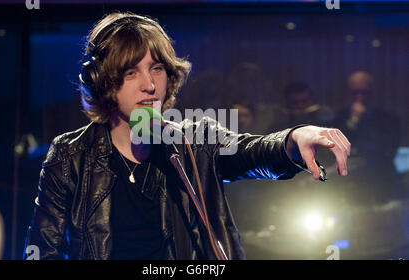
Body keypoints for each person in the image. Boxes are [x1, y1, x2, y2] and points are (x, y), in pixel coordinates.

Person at [23, 12, 350, 260]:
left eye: (156, 68)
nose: (149, 85)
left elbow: (252, 151)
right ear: (102, 81)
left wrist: (294, 138)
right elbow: (42, 249)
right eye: (131, 71)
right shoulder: (70, 155)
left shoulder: (196, 141)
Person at [331, 70, 401, 204]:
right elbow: (336, 147)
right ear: (348, 93)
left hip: (381, 182)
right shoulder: (339, 119)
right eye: (355, 92)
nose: (360, 97)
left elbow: (390, 150)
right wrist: (353, 121)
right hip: (348, 186)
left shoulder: (389, 119)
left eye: (364, 92)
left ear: (372, 93)